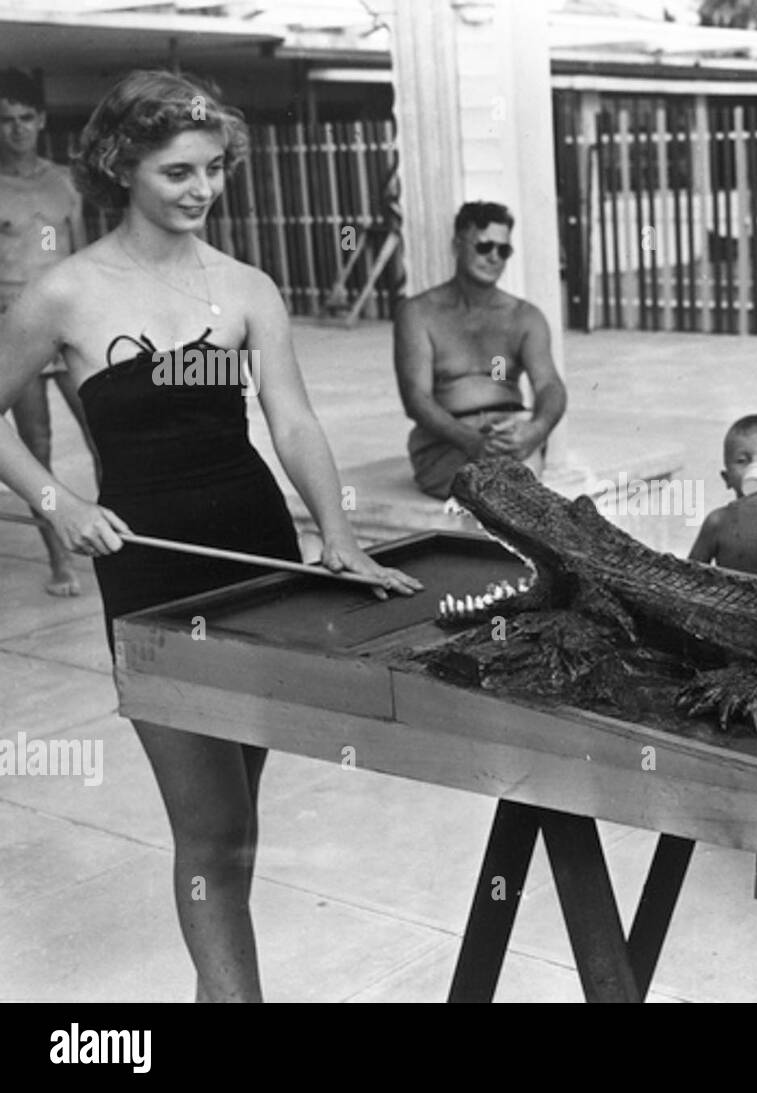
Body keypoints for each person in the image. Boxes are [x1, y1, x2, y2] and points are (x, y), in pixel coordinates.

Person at [0, 69, 421, 1002]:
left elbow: (295, 420)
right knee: (210, 829)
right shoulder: (65, 293)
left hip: (258, 558)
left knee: (240, 818)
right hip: (150, 574)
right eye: (178, 171)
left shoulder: (246, 287)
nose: (202, 190)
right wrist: (55, 499)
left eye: (215, 170)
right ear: (122, 166)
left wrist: (338, 532)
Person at [0, 68, 99, 596]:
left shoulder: (64, 181)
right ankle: (59, 557)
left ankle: (119, 536)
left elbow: (82, 257)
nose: (16, 129)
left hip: (68, 327)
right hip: (15, 331)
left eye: (24, 118)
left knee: (105, 426)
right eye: (5, 120)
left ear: (41, 120)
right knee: (35, 444)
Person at [394, 201, 567, 499]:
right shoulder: (419, 313)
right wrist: (472, 442)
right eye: (485, 246)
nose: (494, 258)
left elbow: (550, 384)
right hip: (445, 444)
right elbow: (416, 398)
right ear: (457, 244)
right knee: (501, 493)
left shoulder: (523, 316)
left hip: (508, 437)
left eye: (503, 250)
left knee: (514, 485)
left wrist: (536, 430)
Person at [689, 413, 757, 582]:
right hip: (731, 604)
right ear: (727, 479)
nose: (754, 468)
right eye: (742, 460)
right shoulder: (718, 522)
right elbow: (689, 574)